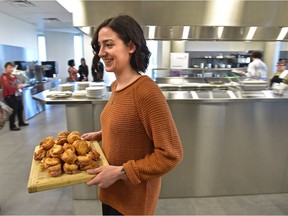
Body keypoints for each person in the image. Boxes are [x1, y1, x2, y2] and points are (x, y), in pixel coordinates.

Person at [81, 15, 183, 215]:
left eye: (108, 45)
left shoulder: (146, 91)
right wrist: (103, 133)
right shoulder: (117, 86)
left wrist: (121, 172)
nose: (101, 53)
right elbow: (130, 124)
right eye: (99, 46)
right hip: (111, 191)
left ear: (131, 46)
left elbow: (171, 155)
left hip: (132, 203)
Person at [0, 62, 29, 131]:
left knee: (20, 108)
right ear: (6, 68)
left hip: (17, 95)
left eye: (12, 67)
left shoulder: (13, 76)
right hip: (10, 96)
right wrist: (17, 86)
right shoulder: (4, 76)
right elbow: (7, 86)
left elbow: (20, 81)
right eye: (9, 67)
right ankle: (12, 126)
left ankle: (21, 122)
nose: (11, 69)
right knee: (13, 111)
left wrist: (22, 77)